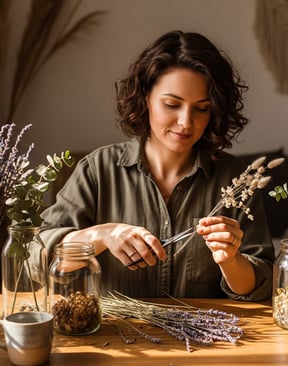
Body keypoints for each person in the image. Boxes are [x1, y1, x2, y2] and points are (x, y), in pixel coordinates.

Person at [40, 30, 274, 301]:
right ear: (145, 98)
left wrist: (231, 261)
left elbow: (262, 286)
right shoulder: (98, 170)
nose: (186, 122)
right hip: (115, 339)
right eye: (172, 104)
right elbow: (39, 256)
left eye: (201, 108)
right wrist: (103, 235)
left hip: (207, 340)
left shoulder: (236, 180)